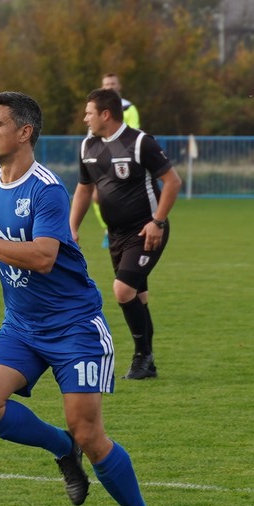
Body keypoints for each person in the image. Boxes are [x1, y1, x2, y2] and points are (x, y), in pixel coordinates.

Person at [0, 91, 157, 506]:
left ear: (24, 132)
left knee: (90, 432)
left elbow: (41, 257)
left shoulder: (47, 190)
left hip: (74, 327)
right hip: (21, 326)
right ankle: (61, 449)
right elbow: (0, 244)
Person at [69, 87, 182, 381]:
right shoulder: (88, 147)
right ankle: (147, 362)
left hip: (146, 230)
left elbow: (172, 182)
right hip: (116, 234)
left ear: (106, 114)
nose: (85, 118)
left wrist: (157, 222)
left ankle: (142, 357)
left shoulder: (140, 142)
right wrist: (72, 227)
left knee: (123, 290)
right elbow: (84, 189)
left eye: (89, 113)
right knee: (138, 296)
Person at [90, 73, 141, 248]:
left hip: (123, 159)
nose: (110, 87)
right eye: (106, 84)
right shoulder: (94, 110)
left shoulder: (128, 108)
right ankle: (107, 230)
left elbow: (132, 135)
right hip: (101, 160)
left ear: (119, 87)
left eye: (113, 84)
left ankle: (130, 231)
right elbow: (93, 136)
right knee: (96, 196)